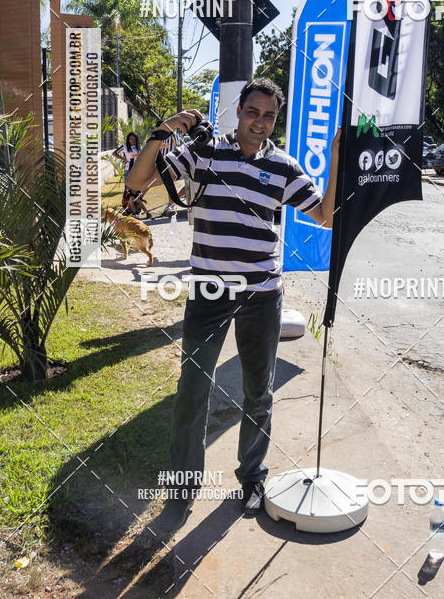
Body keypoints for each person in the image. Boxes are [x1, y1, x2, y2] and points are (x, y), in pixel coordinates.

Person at [126, 78, 340, 531]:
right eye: (252, 112)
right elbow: (136, 181)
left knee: (258, 393)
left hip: (262, 294)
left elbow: (324, 215)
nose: (259, 123)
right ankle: (182, 488)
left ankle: (252, 479)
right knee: (192, 390)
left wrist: (337, 154)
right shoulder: (204, 153)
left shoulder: (284, 167)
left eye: (268, 116)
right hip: (209, 291)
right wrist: (162, 132)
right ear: (238, 111)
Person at [114, 132, 148, 217]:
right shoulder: (125, 147)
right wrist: (123, 158)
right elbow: (114, 153)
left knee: (137, 189)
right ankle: (127, 208)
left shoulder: (139, 147)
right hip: (128, 171)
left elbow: (145, 155)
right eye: (130, 139)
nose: (132, 140)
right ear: (128, 139)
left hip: (138, 171)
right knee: (128, 189)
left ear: (136, 139)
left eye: (134, 139)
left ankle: (136, 208)